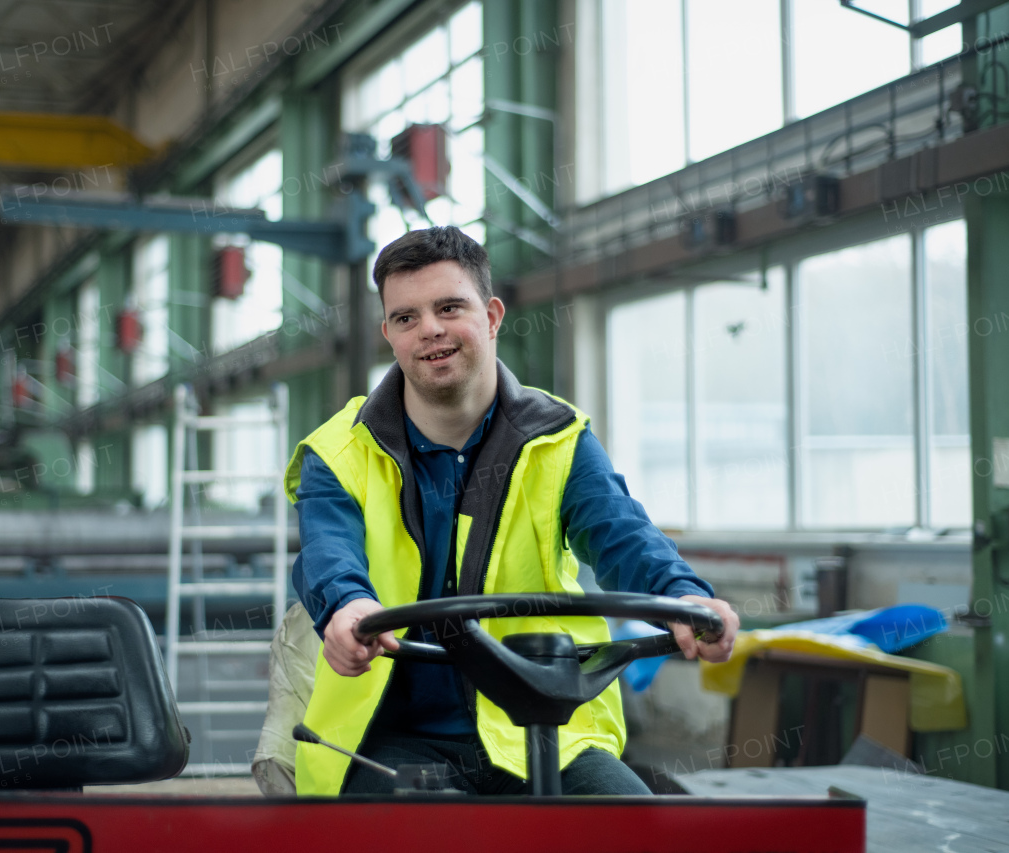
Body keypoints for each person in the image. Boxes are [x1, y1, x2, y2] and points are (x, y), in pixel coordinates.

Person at [283, 226, 739, 797]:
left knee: (634, 824)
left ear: (492, 315)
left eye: (449, 307)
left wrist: (683, 595)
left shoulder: (559, 439)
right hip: (394, 732)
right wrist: (349, 605)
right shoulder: (338, 452)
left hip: (542, 724)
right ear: (390, 335)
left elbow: (621, 534)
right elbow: (329, 550)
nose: (429, 329)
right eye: (406, 317)